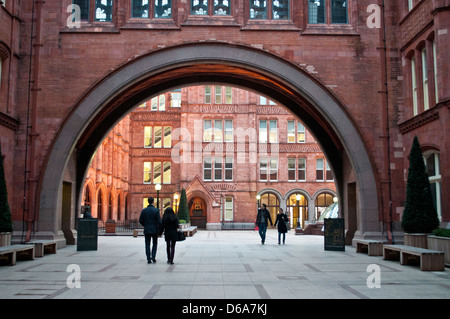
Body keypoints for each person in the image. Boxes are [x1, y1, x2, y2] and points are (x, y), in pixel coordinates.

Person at [139, 197, 162, 264]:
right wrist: (158, 228)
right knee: (154, 243)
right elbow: (159, 221)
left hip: (147, 229)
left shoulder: (144, 210)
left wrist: (145, 225)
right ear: (153, 202)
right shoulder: (156, 210)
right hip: (154, 230)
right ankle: (153, 257)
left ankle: (148, 258)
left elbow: (141, 220)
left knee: (147, 244)